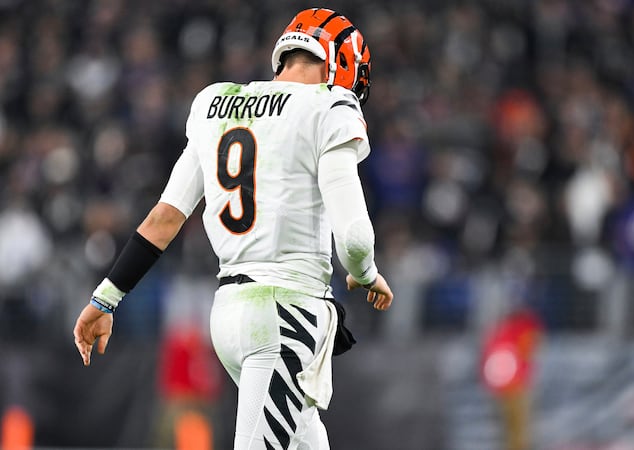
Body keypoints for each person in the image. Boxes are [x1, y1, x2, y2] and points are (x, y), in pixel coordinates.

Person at [72, 8, 393, 450]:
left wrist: (104, 299)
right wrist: (366, 272)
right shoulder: (328, 106)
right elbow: (355, 238)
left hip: (227, 312)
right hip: (285, 313)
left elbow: (164, 218)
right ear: (340, 64)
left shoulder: (216, 102)